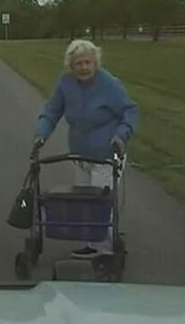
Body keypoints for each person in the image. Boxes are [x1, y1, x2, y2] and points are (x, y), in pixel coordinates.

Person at [33, 39, 139, 258]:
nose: (83, 68)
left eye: (87, 63)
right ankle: (91, 243)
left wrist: (121, 136)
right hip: (80, 154)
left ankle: (106, 251)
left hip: (107, 155)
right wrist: (41, 134)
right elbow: (52, 111)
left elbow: (130, 111)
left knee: (101, 203)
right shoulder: (65, 83)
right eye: (78, 64)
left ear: (95, 63)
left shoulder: (109, 84)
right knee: (83, 202)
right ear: (70, 66)